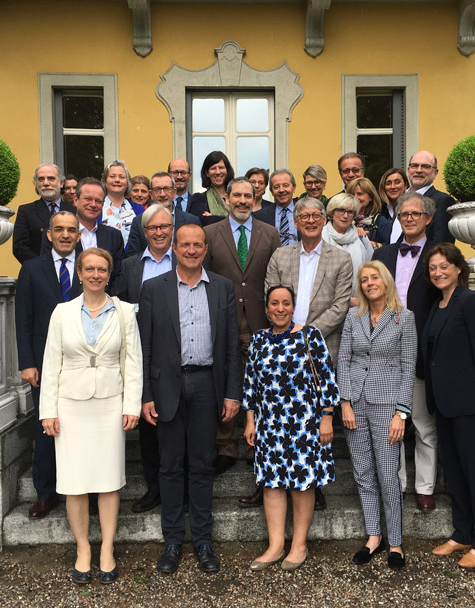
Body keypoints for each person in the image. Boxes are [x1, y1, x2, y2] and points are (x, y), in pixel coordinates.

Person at [138, 223, 242, 574]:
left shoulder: (223, 288)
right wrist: (145, 395)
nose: (192, 250)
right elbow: (145, 346)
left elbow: (230, 346)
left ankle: (202, 541)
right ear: (174, 246)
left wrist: (232, 392)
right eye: (185, 244)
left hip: (206, 387)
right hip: (167, 386)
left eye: (198, 245)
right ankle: (171, 542)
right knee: (169, 466)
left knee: (200, 466)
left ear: (206, 248)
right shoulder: (154, 288)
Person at [39, 247, 142, 585]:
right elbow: (52, 362)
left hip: (110, 404)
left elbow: (133, 361)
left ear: (109, 275)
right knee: (74, 483)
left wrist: (131, 405)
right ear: (79, 273)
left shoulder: (124, 312)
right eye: (90, 269)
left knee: (109, 480)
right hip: (70, 405)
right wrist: (48, 411)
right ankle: (83, 548)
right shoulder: (62, 312)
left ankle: (107, 548)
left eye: (102, 269)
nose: (96, 274)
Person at [264, 196, 352, 511]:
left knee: (314, 420)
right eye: (305, 216)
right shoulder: (280, 255)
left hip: (320, 348)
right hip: (281, 350)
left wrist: (306, 334)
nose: (311, 220)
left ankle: (312, 484)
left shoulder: (341, 259)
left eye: (316, 215)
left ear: (324, 220)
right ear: (297, 221)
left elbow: (341, 305)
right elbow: (270, 295)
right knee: (285, 419)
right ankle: (279, 478)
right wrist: (288, 333)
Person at [243, 285, 338, 571]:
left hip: (304, 424)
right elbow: (250, 384)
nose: (280, 308)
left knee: (300, 484)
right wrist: (250, 421)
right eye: (274, 303)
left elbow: (327, 380)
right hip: (269, 424)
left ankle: (298, 545)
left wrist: (327, 417)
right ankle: (275, 546)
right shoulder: (259, 339)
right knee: (272, 484)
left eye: (285, 303)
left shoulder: (310, 336)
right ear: (267, 307)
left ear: (293, 306)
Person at [422, 242, 475, 570]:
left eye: (444, 266)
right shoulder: (439, 304)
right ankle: (462, 534)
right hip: (444, 404)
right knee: (454, 473)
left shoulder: (471, 303)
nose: (439, 272)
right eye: (433, 268)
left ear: (458, 268)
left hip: (470, 404)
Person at [202, 177, 280, 496]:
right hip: (224, 319)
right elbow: (205, 279)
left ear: (255, 197)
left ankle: (255, 446)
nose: (244, 201)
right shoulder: (209, 234)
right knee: (225, 382)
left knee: (260, 385)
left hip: (261, 321)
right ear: (227, 199)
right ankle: (225, 447)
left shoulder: (270, 233)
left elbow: (273, 278)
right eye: (238, 195)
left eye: (249, 195)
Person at [337, 261, 416, 570]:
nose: (369, 283)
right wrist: (344, 401)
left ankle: (395, 542)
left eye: (374, 278)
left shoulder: (404, 318)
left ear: (385, 281)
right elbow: (343, 359)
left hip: (387, 407)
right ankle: (374, 537)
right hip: (355, 404)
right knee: (362, 472)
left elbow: (409, 367)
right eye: (364, 279)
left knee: (387, 473)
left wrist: (402, 413)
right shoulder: (353, 318)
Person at [374, 192, 440, 511]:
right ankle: (395, 484)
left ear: (428, 218)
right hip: (387, 351)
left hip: (423, 350)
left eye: (415, 214)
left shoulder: (438, 256)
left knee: (425, 425)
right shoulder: (384, 254)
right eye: (404, 215)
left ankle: (425, 487)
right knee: (392, 425)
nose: (409, 219)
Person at [15, 211, 82, 520]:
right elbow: (23, 319)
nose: (66, 235)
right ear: (49, 235)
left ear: (79, 235)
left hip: (82, 363)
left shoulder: (90, 267)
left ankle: (84, 490)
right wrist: (27, 363)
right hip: (43, 364)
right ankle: (46, 493)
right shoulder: (31, 269)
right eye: (60, 230)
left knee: (81, 429)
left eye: (71, 230)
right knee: (46, 430)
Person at [116, 204, 177, 514]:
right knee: (149, 429)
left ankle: (179, 490)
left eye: (164, 226)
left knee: (178, 428)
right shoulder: (129, 267)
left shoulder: (187, 259)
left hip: (180, 356)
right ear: (143, 231)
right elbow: (117, 306)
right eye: (152, 228)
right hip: (142, 355)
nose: (159, 232)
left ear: (172, 228)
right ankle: (154, 488)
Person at [40, 178, 125, 295]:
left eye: (98, 201)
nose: (93, 205)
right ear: (76, 199)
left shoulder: (114, 236)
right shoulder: (55, 234)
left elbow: (118, 275)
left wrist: (106, 302)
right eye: (88, 199)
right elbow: (47, 273)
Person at [125, 172, 200, 257]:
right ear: (151, 194)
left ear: (174, 192)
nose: (162, 194)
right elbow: (133, 258)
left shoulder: (191, 221)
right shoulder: (138, 222)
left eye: (166, 189)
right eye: (157, 190)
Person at [13, 163, 75, 263]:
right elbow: (19, 248)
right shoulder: (26, 211)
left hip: (67, 271)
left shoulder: (74, 211)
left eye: (51, 178)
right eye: (41, 179)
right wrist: (42, 266)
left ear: (62, 183)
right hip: (37, 272)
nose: (45, 183)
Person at [322, 193, 373, 301]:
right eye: (341, 210)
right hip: (326, 304)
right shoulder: (320, 237)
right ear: (332, 212)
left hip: (358, 305)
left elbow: (371, 270)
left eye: (350, 212)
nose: (345, 216)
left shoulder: (361, 238)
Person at [407, 151, 456, 244]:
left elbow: (442, 245)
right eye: (414, 165)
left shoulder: (443, 201)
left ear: (435, 173)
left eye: (426, 166)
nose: (419, 170)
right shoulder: (401, 200)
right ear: (409, 169)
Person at [101, 160, 144, 248]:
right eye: (112, 176)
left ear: (127, 183)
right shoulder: (97, 208)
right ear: (105, 181)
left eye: (121, 177)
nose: (117, 180)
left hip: (132, 260)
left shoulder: (139, 210)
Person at [253, 169, 299, 246]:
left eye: (285, 185)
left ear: (294, 188)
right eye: (276, 187)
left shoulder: (304, 212)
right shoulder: (259, 216)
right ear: (271, 191)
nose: (281, 190)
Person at [189, 151, 235, 225]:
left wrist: (212, 218)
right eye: (213, 168)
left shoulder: (236, 197)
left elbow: (244, 220)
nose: (217, 172)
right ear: (207, 173)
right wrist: (231, 219)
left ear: (227, 171)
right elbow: (200, 222)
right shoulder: (198, 199)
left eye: (221, 167)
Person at [347, 176, 391, 248]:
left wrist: (373, 245)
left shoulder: (380, 221)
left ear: (371, 197)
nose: (355, 198)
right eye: (352, 195)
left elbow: (390, 248)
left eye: (360, 194)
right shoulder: (343, 219)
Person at [378, 168, 409, 244]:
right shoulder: (380, 210)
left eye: (397, 182)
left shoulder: (413, 208)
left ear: (406, 185)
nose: (392, 187)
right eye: (388, 183)